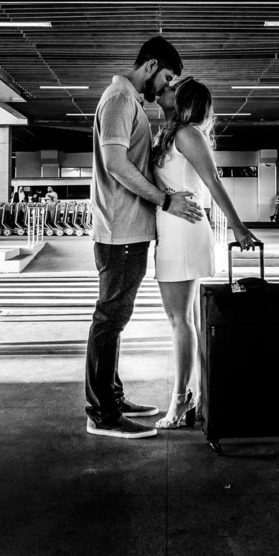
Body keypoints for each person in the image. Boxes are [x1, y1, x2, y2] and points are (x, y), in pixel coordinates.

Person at [85, 36, 202, 439]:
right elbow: (116, 163)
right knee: (110, 319)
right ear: (151, 66)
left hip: (128, 229)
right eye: (167, 77)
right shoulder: (119, 99)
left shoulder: (128, 101)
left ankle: (111, 398)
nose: (167, 87)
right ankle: (103, 415)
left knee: (115, 317)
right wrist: (165, 200)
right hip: (120, 231)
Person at [150, 77, 258, 429]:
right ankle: (198, 397)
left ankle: (181, 400)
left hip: (183, 231)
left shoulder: (187, 134)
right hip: (174, 228)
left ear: (182, 101)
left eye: (169, 89)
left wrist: (239, 227)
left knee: (179, 321)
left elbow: (213, 182)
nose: (161, 90)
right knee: (188, 322)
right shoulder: (170, 134)